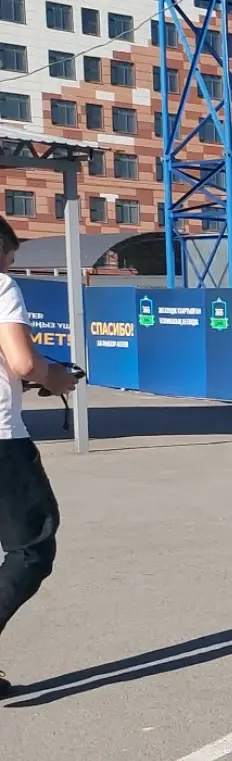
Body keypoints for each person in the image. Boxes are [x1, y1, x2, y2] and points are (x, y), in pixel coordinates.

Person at [0, 215, 80, 697]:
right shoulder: (1, 286)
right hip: (1, 441)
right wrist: (55, 378)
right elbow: (24, 360)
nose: (11, 263)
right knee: (32, 549)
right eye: (9, 253)